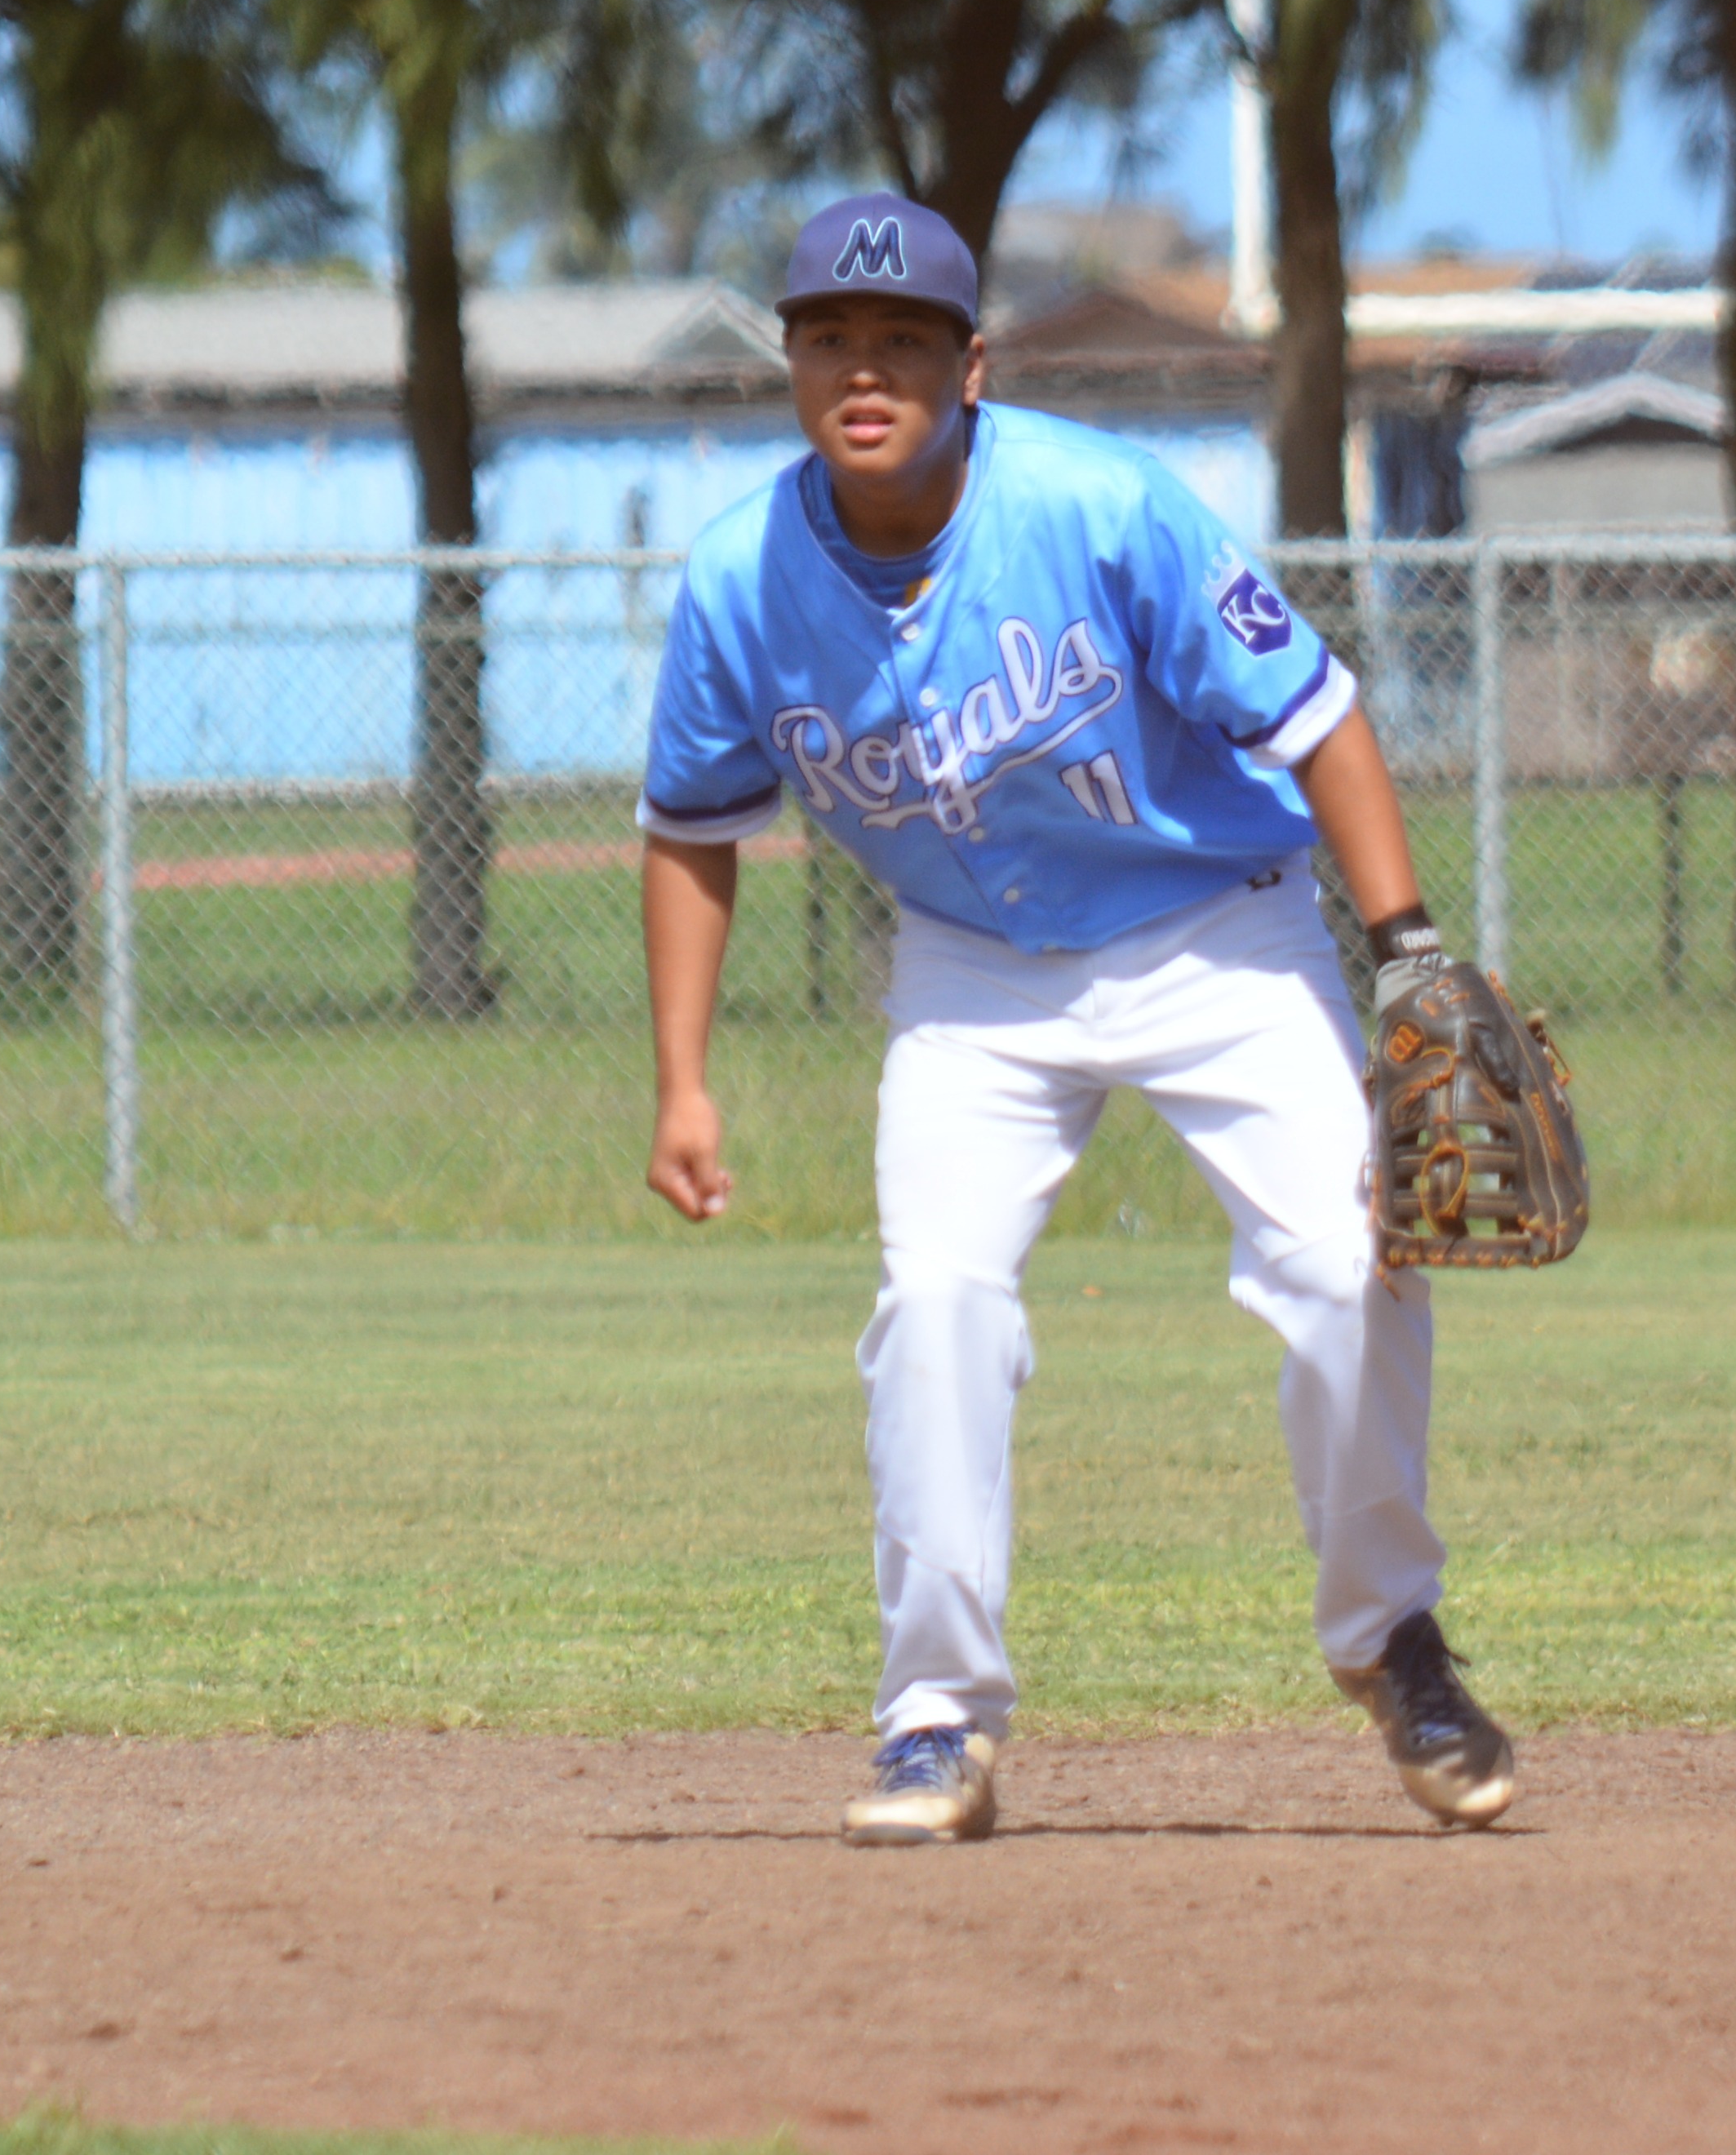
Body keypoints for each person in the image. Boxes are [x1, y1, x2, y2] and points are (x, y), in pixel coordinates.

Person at [637, 193, 1516, 1846]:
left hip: (1215, 931)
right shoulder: (740, 579)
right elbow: (691, 828)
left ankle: (1390, 1639)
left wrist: (1404, 953)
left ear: (970, 366)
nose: (864, 370)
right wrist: (682, 1082)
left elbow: (1319, 717)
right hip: (971, 968)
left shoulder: (1101, 506)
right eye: (830, 338)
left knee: (1347, 1264)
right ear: (790, 364)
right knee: (937, 1305)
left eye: (903, 341)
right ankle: (933, 1719)